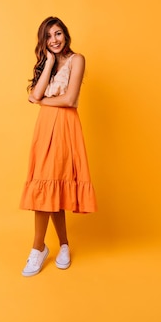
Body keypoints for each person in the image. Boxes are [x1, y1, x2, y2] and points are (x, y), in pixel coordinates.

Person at [19, 16, 97, 277]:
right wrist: (50, 61)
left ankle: (37, 248)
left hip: (65, 127)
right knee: (48, 185)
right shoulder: (48, 63)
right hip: (44, 128)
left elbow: (71, 99)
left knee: (54, 183)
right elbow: (35, 94)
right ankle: (60, 245)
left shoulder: (77, 60)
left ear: (66, 35)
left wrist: (42, 101)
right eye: (49, 36)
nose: (54, 40)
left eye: (58, 33)